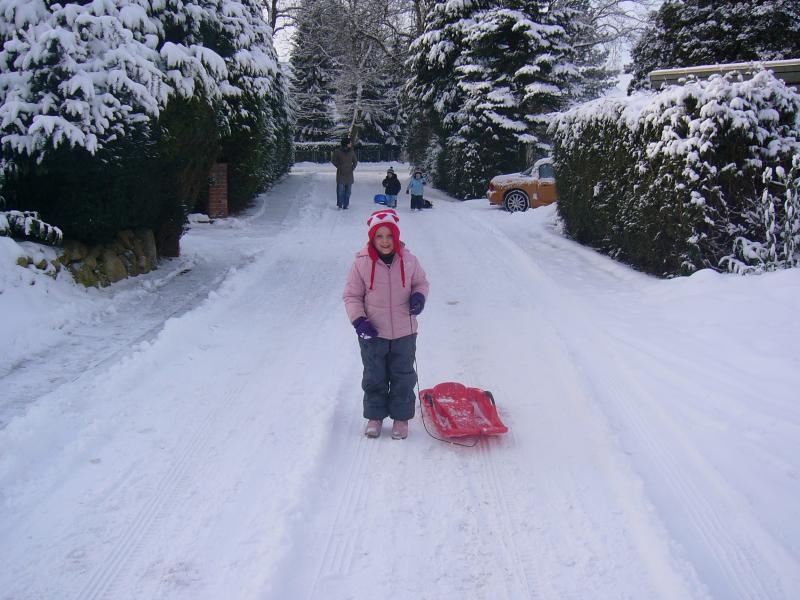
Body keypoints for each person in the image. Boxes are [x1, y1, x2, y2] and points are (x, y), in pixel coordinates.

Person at [343, 208, 429, 440]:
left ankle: (401, 418)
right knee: (374, 375)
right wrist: (359, 320)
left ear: (396, 236)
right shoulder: (361, 264)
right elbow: (351, 296)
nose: (385, 241)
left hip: (404, 331)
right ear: (372, 238)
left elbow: (421, 283)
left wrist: (418, 297)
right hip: (373, 333)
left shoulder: (409, 261)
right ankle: (375, 416)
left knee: (403, 375)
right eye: (379, 236)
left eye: (390, 235)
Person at [331, 136, 358, 209]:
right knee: (340, 191)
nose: (351, 144)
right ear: (346, 144)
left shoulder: (351, 152)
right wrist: (339, 166)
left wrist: (352, 168)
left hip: (349, 175)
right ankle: (340, 204)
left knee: (348, 192)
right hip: (341, 174)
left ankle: (346, 205)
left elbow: (355, 161)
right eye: (349, 143)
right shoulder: (337, 152)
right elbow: (333, 160)